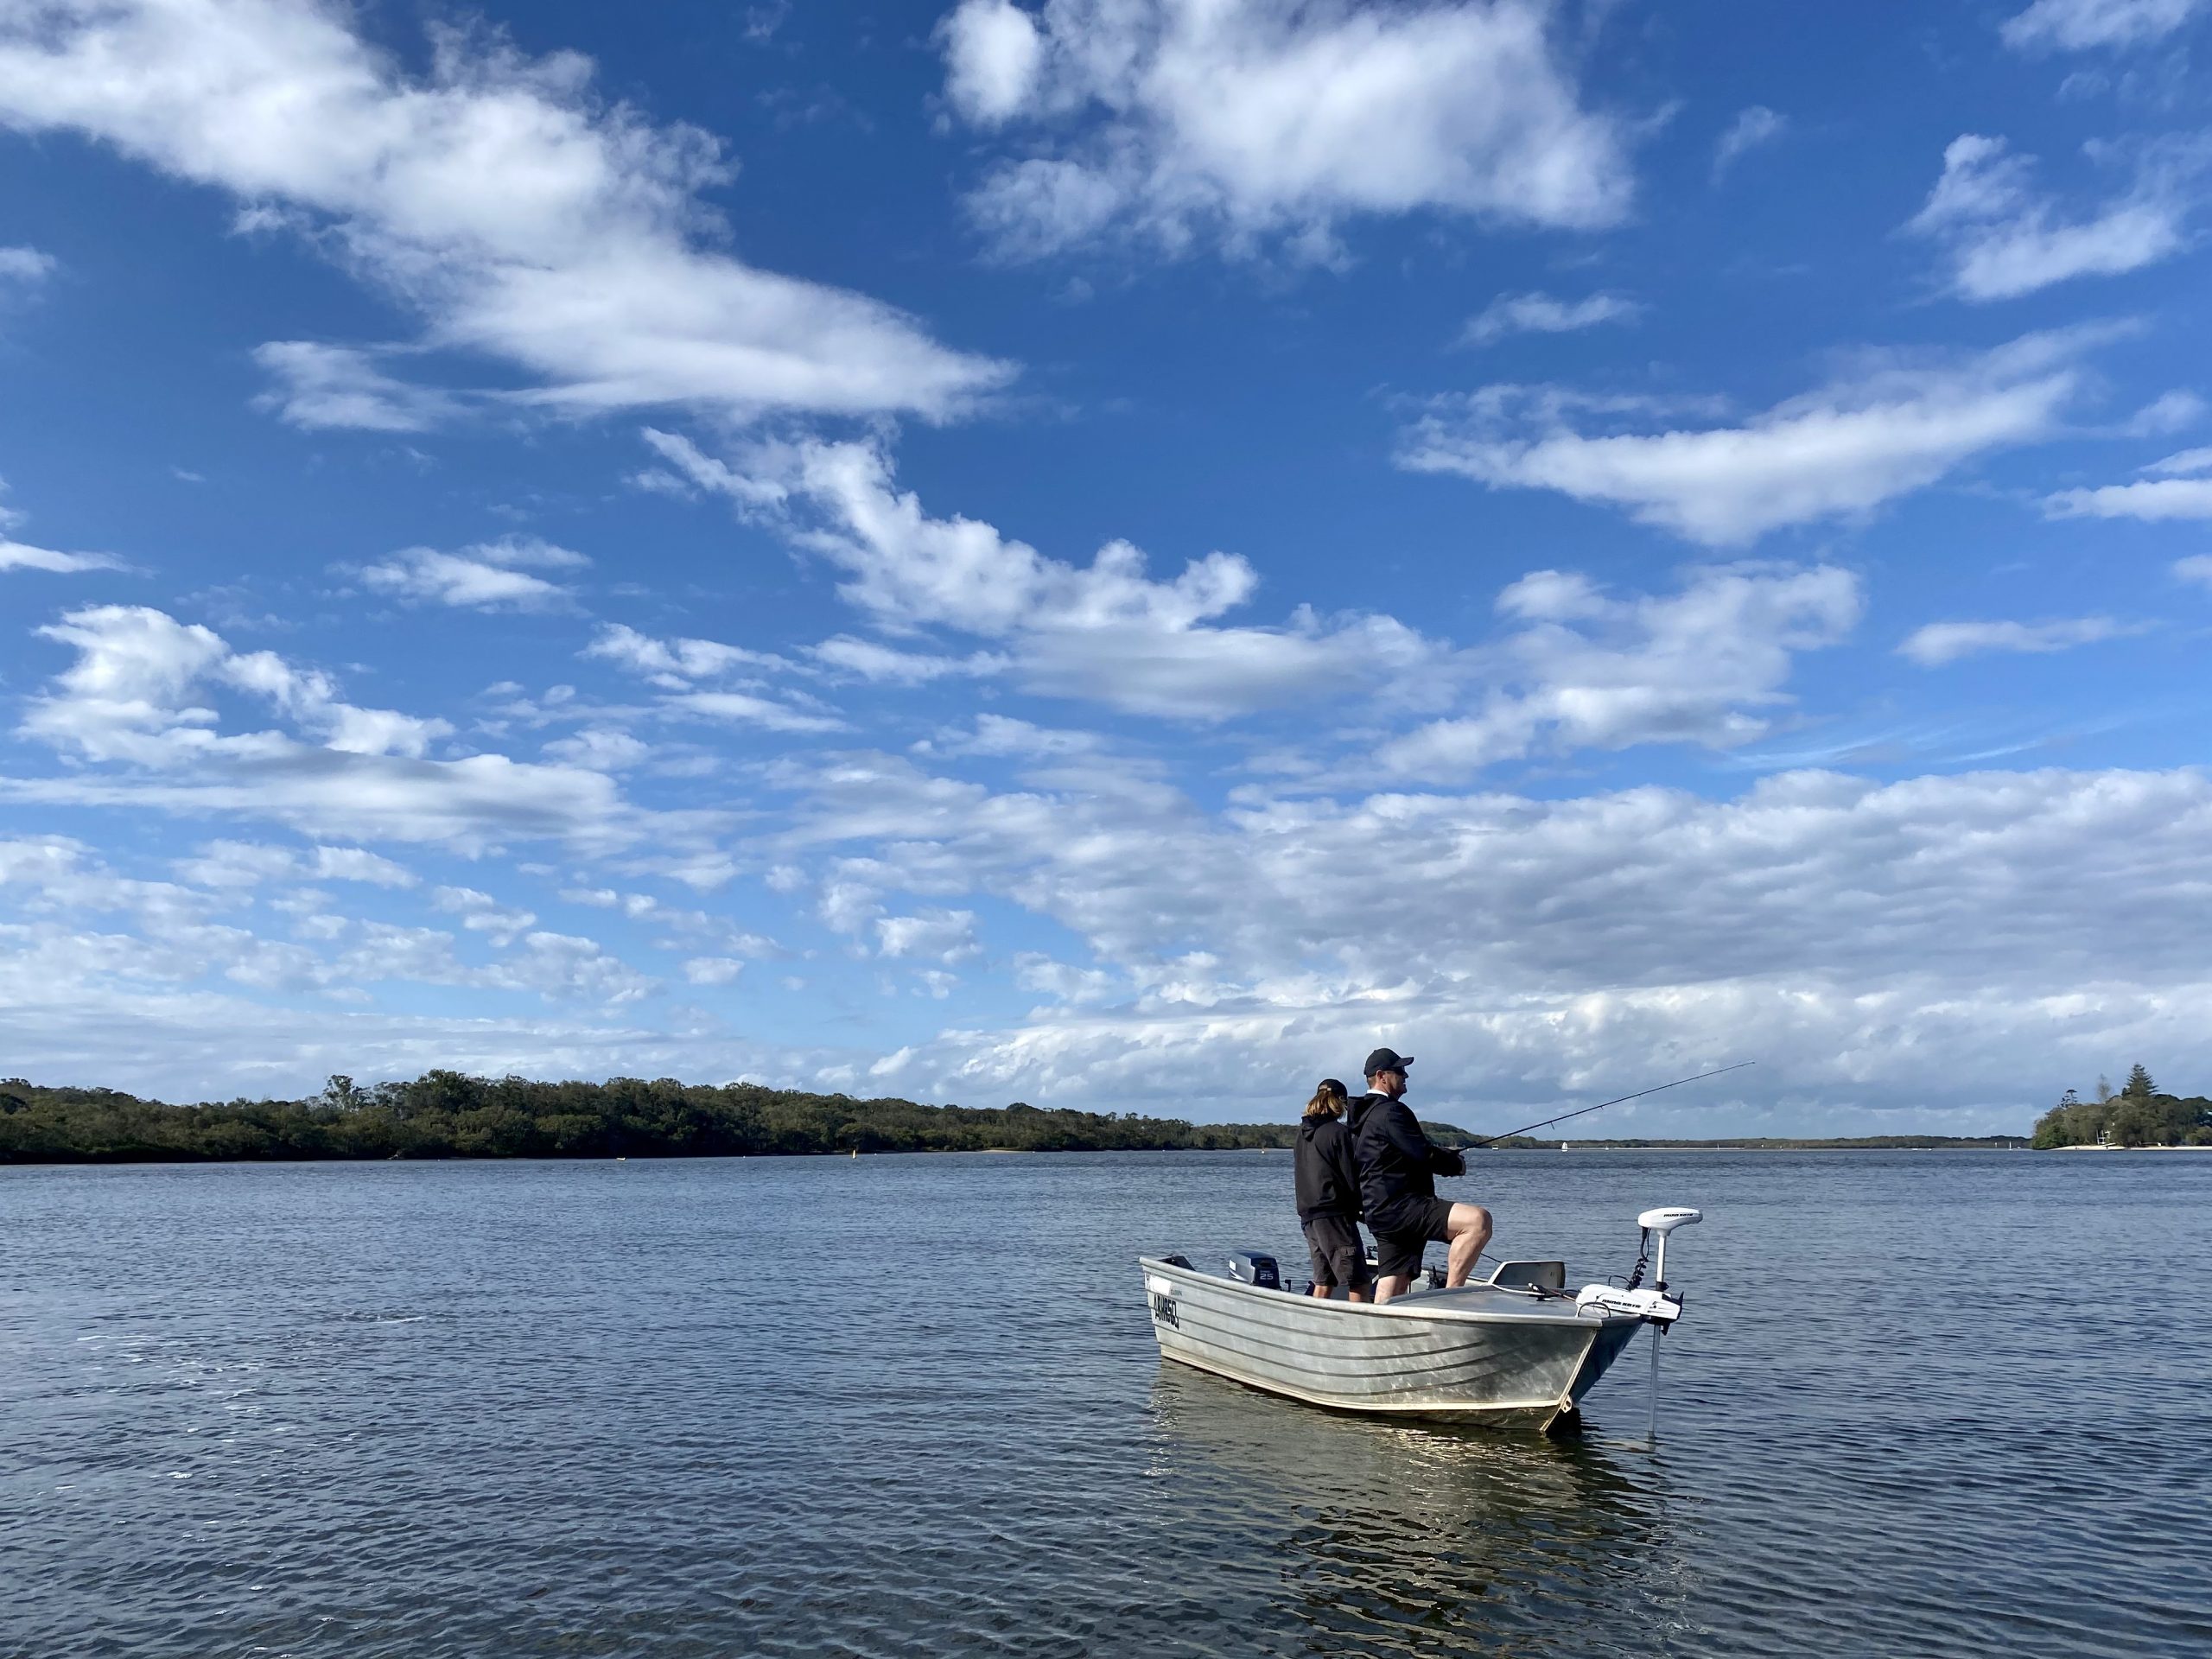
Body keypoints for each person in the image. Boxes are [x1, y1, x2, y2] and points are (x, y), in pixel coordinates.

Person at [1348, 1047, 1492, 1303]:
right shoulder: (1391, 1112)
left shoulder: (1363, 1116)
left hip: (1378, 1211)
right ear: (1381, 1076)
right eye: (1400, 1071)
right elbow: (1421, 1153)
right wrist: (1455, 1164)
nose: (1405, 1076)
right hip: (1402, 1207)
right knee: (1477, 1222)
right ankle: (1452, 1301)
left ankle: (1380, 1327)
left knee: (1394, 1280)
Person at [1294, 1078, 1370, 1302]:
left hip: (1309, 1217)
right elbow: (1350, 1177)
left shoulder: (1302, 1134)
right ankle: (1361, 1330)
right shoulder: (1339, 1132)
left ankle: (1316, 1328)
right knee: (1359, 1280)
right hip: (1334, 1217)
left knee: (1324, 1280)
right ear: (1341, 1103)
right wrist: (1363, 1209)